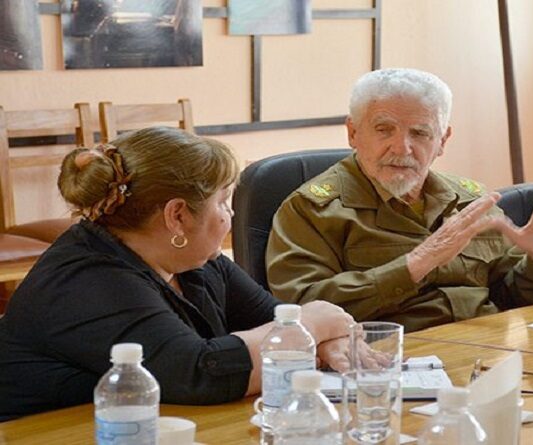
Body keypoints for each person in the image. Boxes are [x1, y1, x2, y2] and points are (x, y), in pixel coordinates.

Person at [0, 127, 355, 421]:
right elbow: (200, 374)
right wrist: (313, 325)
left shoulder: (194, 260)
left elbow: (272, 320)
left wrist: (324, 341)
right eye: (223, 201)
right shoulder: (86, 281)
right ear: (177, 216)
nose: (228, 215)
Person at [267, 68, 533, 332]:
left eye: (420, 133)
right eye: (384, 130)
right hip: (388, 361)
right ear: (353, 132)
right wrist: (417, 263)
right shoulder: (312, 209)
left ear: (443, 140)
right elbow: (302, 310)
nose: (402, 147)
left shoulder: (469, 202)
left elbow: (515, 298)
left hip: (486, 351)